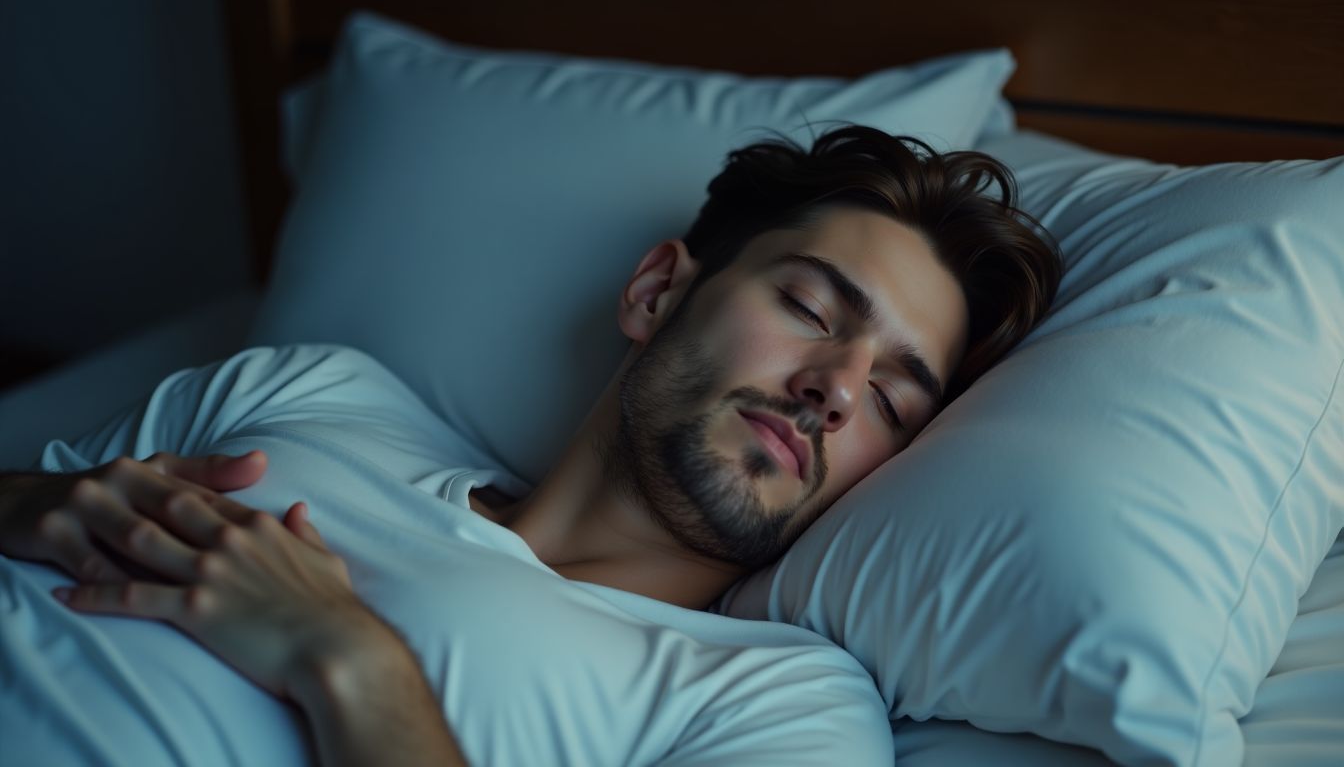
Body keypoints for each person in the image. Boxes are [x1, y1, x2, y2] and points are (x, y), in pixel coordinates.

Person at [0, 126, 1060, 765]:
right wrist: (20, 502)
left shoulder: (773, 701)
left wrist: (350, 663)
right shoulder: (310, 392)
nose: (836, 387)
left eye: (892, 398)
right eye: (810, 307)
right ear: (657, 291)